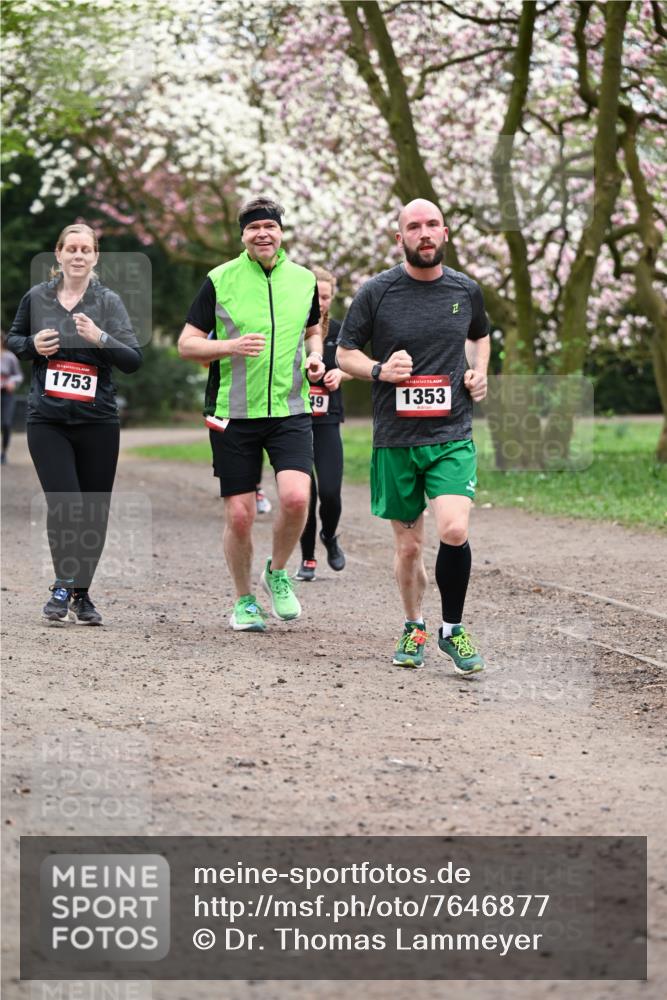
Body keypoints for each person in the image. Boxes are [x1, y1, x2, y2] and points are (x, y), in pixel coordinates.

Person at [337, 198, 490, 674]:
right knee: (408, 548)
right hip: (397, 439)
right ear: (399, 237)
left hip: (451, 433)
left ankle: (453, 630)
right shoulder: (377, 292)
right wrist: (381, 370)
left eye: (431, 225)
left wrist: (478, 373)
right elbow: (345, 354)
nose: (424, 234)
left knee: (454, 529)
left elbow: (480, 335)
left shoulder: (467, 290)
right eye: (413, 227)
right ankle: (414, 624)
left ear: (444, 233)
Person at [178, 196, 325, 632]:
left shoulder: (303, 280)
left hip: (289, 408)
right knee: (240, 514)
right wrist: (228, 346)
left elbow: (313, 328)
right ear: (242, 235)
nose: (263, 233)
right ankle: (243, 601)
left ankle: (276, 572)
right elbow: (187, 343)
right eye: (254, 227)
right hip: (233, 412)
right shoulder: (219, 280)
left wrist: (315, 357)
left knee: (298, 497)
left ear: (281, 232)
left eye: (270, 227)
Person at [7, 223, 143, 624]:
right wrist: (32, 346)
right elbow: (14, 339)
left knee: (94, 510)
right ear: (59, 254)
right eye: (72, 248)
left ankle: (81, 593)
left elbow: (133, 360)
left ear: (95, 257)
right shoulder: (37, 297)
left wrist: (101, 337)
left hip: (97, 421)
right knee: (65, 504)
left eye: (86, 249)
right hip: (47, 419)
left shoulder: (108, 302)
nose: (79, 255)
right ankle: (63, 583)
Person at [295, 266, 351, 582]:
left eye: (326, 296)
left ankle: (329, 536)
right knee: (305, 493)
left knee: (330, 491)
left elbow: (360, 366)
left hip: (328, 421)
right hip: (296, 422)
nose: (321, 301)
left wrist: (342, 374)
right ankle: (307, 558)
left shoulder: (342, 332)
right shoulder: (291, 329)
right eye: (316, 296)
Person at [1, 331, 24, 464]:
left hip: (6, 394)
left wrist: (11, 382)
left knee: (6, 423)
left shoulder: (10, 357)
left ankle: (3, 453)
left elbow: (18, 375)